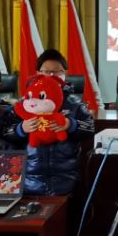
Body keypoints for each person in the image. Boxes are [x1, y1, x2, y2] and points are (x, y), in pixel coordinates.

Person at [15, 49, 96, 196]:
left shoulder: (75, 103)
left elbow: (90, 129)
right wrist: (21, 128)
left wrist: (70, 125)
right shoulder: (25, 103)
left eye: (57, 72)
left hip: (65, 178)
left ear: (65, 74)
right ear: (38, 73)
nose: (51, 76)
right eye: (46, 72)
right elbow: (6, 132)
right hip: (30, 180)